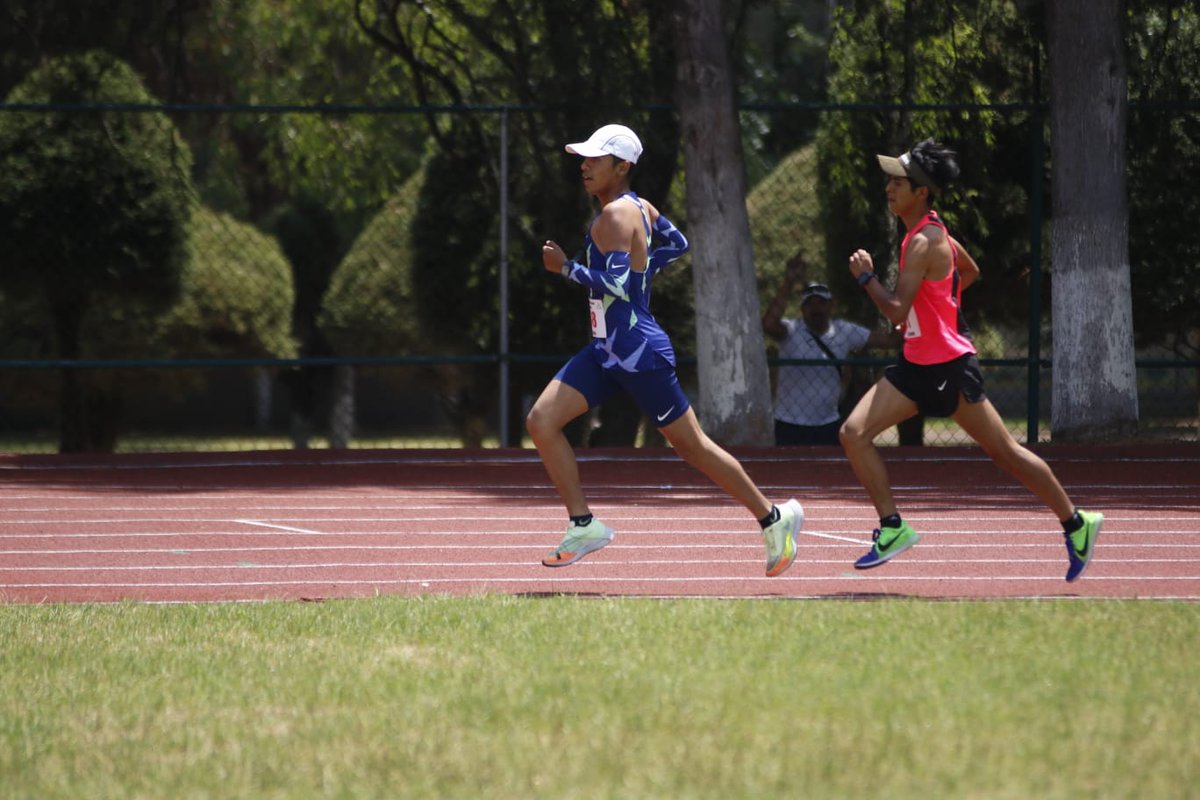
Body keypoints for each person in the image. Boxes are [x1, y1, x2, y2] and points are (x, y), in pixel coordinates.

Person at [527, 123, 804, 576]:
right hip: (606, 351)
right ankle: (584, 524)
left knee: (692, 447)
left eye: (595, 159)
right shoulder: (642, 208)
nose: (584, 166)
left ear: (623, 167)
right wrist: (642, 272)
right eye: (585, 158)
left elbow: (615, 283)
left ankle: (774, 518)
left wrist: (566, 268)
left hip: (637, 351)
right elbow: (677, 244)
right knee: (541, 420)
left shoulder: (615, 216)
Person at [839, 137, 1103, 582]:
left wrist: (866, 277)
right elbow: (969, 272)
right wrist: (937, 312)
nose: (889, 187)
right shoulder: (931, 232)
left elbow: (896, 310)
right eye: (889, 180)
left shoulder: (923, 241)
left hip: (946, 368)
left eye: (898, 182)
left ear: (920, 192)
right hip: (917, 364)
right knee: (853, 432)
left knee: (1005, 453)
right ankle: (892, 527)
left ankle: (1077, 524)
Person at [762, 253, 897, 445]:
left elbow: (890, 341)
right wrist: (788, 282)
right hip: (788, 422)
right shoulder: (791, 330)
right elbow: (768, 324)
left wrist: (901, 309)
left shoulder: (844, 330)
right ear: (802, 309)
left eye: (821, 302)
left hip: (827, 423)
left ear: (831, 306)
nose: (816, 308)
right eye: (810, 304)